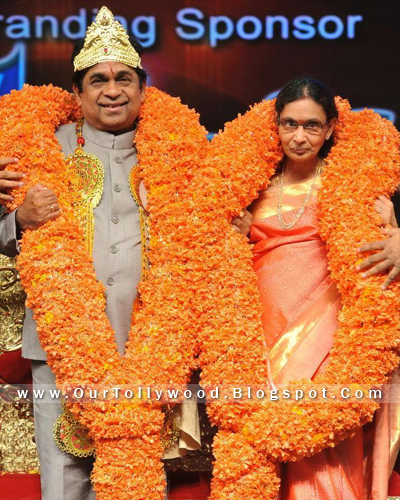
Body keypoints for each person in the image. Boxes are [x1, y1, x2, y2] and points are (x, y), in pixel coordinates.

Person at [0, 7, 205, 499]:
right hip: (60, 348)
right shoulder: (39, 150)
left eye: (123, 79)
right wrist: (18, 219)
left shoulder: (179, 154)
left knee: (138, 477)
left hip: (150, 348)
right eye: (98, 80)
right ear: (77, 93)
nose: (112, 90)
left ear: (143, 88)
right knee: (64, 482)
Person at [233, 77, 399, 499]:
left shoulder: (355, 187)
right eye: (290, 124)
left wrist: (396, 232)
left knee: (322, 438)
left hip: (329, 328)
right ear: (276, 125)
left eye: (311, 126)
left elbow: (385, 249)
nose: (299, 136)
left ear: (329, 129)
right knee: (266, 442)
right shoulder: (252, 184)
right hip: (263, 325)